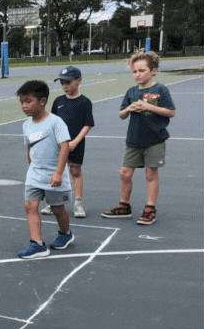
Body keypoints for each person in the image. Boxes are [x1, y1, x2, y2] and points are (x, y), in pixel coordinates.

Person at [102, 51, 175, 225]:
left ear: (153, 71)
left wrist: (148, 106)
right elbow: (121, 114)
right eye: (135, 71)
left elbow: (171, 112)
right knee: (125, 173)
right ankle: (124, 206)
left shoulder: (161, 89)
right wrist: (129, 109)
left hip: (154, 140)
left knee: (151, 174)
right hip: (133, 140)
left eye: (142, 71)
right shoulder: (131, 92)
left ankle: (150, 208)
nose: (138, 74)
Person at [16, 80, 75, 259]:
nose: (24, 106)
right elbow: (29, 149)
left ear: (42, 101)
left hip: (54, 175)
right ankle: (37, 245)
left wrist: (58, 172)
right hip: (35, 175)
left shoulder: (55, 122)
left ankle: (66, 234)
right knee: (30, 206)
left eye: (28, 101)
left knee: (57, 209)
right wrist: (31, 169)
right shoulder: (26, 125)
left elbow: (65, 147)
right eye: (21, 102)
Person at [41, 66, 94, 218]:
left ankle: (78, 203)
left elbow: (88, 124)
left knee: (75, 171)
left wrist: (75, 142)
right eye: (62, 83)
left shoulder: (85, 102)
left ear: (79, 81)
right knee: (57, 171)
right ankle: (54, 203)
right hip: (58, 144)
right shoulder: (58, 101)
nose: (64, 86)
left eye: (68, 82)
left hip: (75, 144)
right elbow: (52, 122)